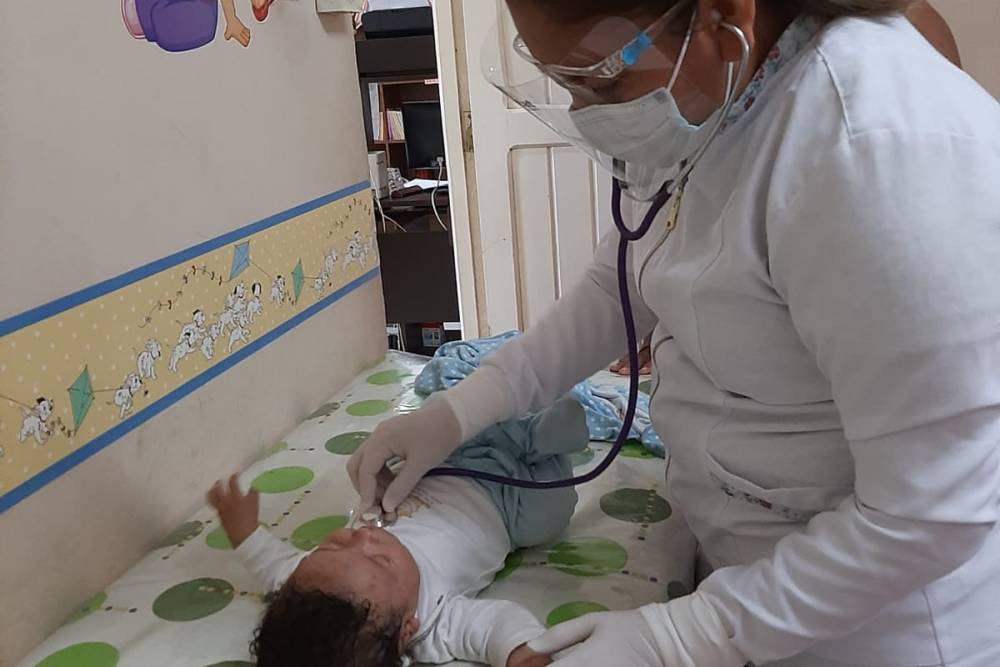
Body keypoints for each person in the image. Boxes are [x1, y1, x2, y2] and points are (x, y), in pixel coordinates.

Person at [349, 0, 1000, 665]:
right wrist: (459, 411)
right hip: (755, 576)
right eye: (563, 83)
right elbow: (621, 284)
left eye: (600, 80)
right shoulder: (716, 102)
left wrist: (681, 637)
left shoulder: (877, 153)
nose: (584, 114)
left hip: (883, 627)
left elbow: (929, 511)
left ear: (725, 16)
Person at [210, 397, 589, 667]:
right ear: (408, 629)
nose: (364, 537)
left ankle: (506, 417)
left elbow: (271, 564)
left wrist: (243, 528)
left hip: (437, 467)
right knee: (549, 514)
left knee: (441, 421)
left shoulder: (306, 585)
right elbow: (495, 625)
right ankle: (538, 432)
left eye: (334, 545)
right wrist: (523, 651)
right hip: (511, 503)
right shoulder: (437, 621)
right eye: (381, 561)